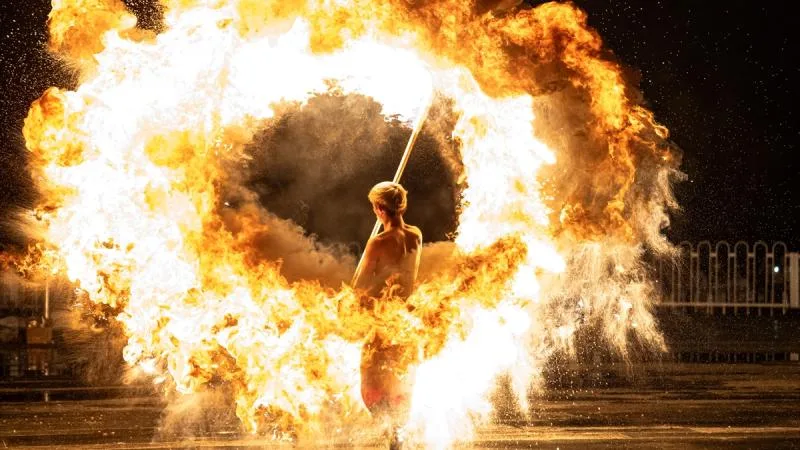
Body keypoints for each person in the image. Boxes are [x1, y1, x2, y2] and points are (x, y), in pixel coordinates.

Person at [352, 181, 422, 449]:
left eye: (374, 207)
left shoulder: (378, 243)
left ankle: (392, 439)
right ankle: (396, 438)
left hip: (383, 325)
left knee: (374, 390)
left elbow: (359, 287)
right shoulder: (416, 235)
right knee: (401, 385)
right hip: (406, 323)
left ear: (380, 208)